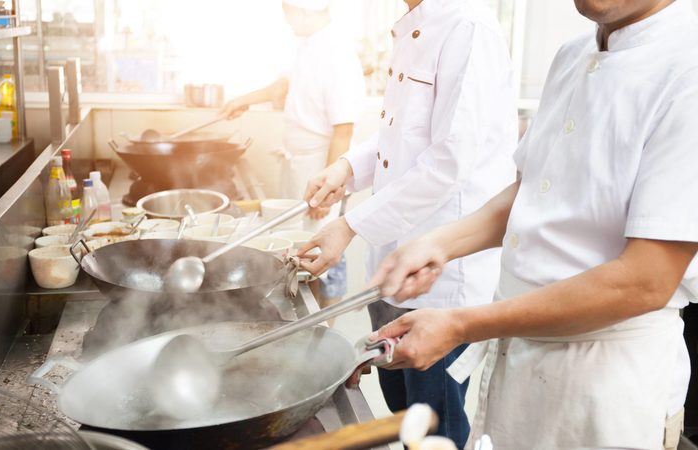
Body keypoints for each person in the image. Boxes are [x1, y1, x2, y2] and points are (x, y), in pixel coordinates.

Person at [359, 0, 698, 449]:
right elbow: (532, 190)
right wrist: (439, 243)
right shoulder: (573, 54)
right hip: (522, 363)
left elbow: (645, 281)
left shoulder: (687, 68)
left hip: (608, 383)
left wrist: (461, 325)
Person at [298, 0, 517, 446]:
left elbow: (449, 160)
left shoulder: (468, 28)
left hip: (442, 279)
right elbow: (400, 134)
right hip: (394, 264)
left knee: (433, 427)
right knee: (402, 411)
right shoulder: (414, 26)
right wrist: (346, 168)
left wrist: (350, 226)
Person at [221, 0, 365, 305]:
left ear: (303, 9)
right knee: (302, 250)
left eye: (287, 12)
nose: (286, 20)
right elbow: (284, 86)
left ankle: (326, 323)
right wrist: (244, 100)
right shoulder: (308, 44)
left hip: (322, 167)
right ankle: (307, 313)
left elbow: (343, 130)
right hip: (300, 166)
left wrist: (328, 189)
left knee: (326, 253)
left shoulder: (338, 54)